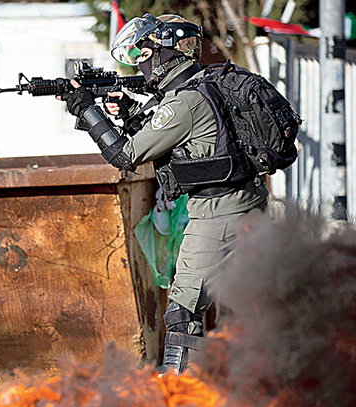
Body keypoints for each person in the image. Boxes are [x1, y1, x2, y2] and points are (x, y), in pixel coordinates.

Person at [62, 14, 270, 372]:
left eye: (145, 54)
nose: (141, 64)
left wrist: (85, 110)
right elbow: (176, 142)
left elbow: (124, 156)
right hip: (247, 201)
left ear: (164, 53)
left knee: (184, 307)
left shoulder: (181, 105)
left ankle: (179, 395)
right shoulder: (206, 84)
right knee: (243, 304)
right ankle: (248, 387)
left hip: (218, 212)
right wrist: (127, 115)